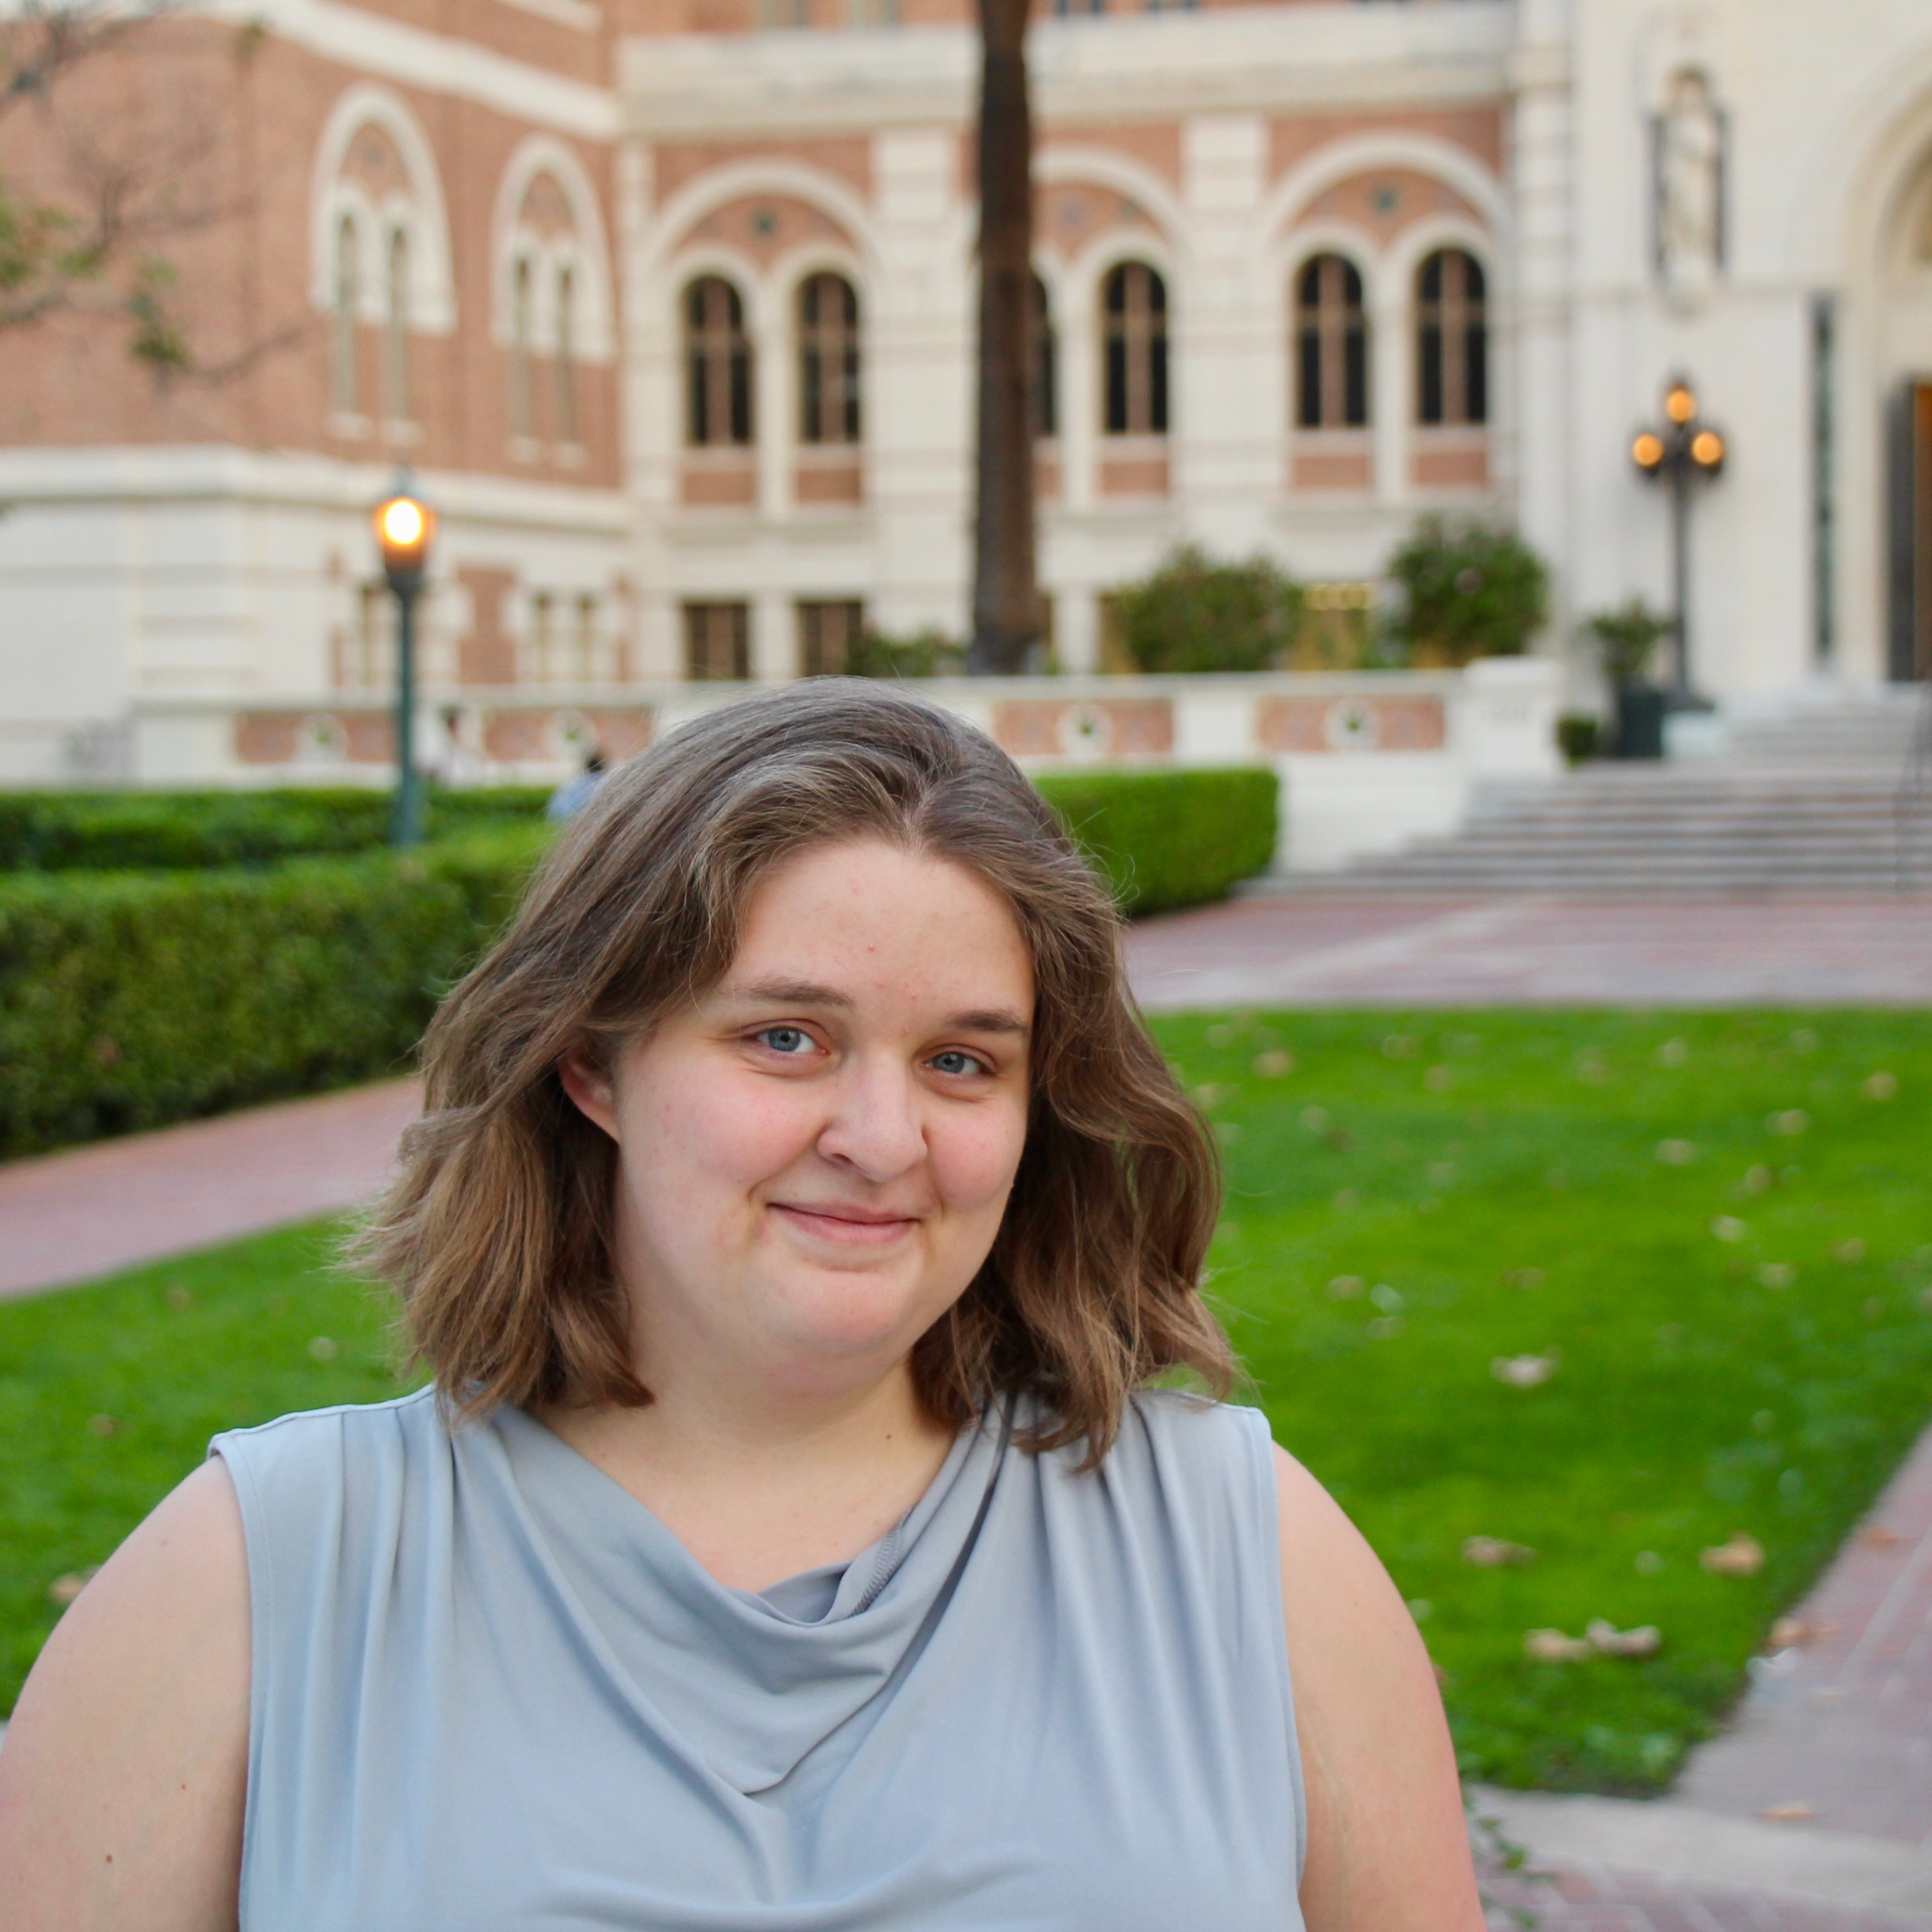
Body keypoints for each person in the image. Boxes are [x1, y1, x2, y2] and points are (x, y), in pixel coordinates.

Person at [0, 683, 1483, 1930]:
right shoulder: (257, 1580)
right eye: (786, 1038)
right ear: (592, 1063)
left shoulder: (1244, 1553)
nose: (882, 1140)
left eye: (963, 1061)